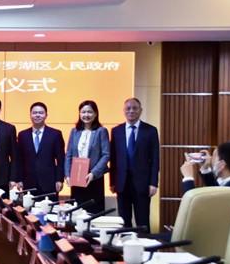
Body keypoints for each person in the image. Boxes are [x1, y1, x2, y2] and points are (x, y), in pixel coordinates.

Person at [110, 98, 160, 230]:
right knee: (123, 222)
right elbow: (113, 158)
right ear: (123, 111)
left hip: (143, 184)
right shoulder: (116, 131)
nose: (131, 111)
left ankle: (144, 243)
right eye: (128, 108)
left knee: (143, 222)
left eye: (135, 108)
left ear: (140, 110)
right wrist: (112, 182)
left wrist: (153, 183)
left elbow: (155, 159)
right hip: (122, 183)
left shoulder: (151, 131)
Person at [65, 100, 110, 214]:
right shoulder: (74, 131)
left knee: (93, 212)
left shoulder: (101, 131)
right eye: (83, 112)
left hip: (94, 178)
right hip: (77, 177)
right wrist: (67, 175)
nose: (86, 115)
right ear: (79, 114)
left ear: (95, 114)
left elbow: (106, 154)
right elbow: (69, 154)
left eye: (90, 112)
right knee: (76, 212)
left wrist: (93, 173)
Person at [17, 102, 65, 199]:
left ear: (46, 115)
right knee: (29, 208)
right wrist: (19, 179)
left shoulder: (55, 134)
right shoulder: (22, 135)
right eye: (34, 113)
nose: (37, 115)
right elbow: (19, 160)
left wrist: (59, 179)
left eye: (41, 113)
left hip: (50, 183)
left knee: (49, 208)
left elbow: (61, 159)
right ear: (30, 115)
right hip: (28, 183)